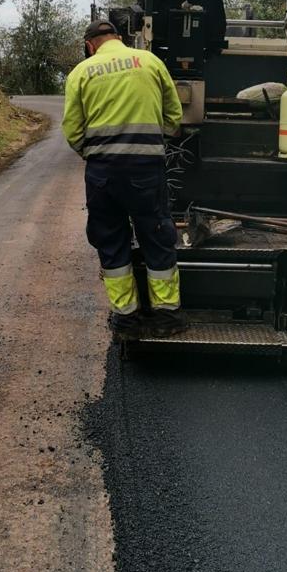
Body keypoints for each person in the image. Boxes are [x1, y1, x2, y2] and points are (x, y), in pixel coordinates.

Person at [62, 20, 185, 341]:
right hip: (146, 168)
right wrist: (159, 141)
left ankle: (126, 319)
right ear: (120, 37)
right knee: (156, 233)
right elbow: (173, 116)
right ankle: (166, 316)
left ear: (90, 45)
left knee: (111, 240)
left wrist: (96, 155)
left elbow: (73, 130)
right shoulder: (150, 61)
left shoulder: (81, 73)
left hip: (103, 173)